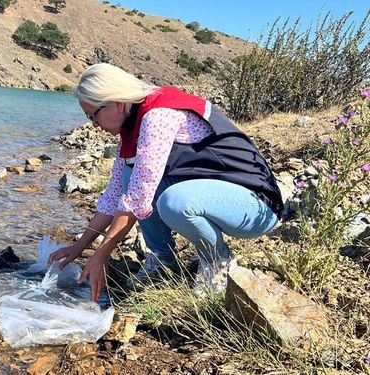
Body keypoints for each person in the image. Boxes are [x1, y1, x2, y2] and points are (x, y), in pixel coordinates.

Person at [48, 63, 283, 302]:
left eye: (92, 115)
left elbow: (138, 198)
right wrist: (79, 248)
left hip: (255, 205)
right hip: (214, 194)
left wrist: (101, 255)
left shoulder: (159, 116)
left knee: (175, 202)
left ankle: (216, 263)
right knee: (130, 176)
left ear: (116, 102)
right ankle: (163, 259)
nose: (93, 124)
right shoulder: (131, 128)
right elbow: (114, 195)